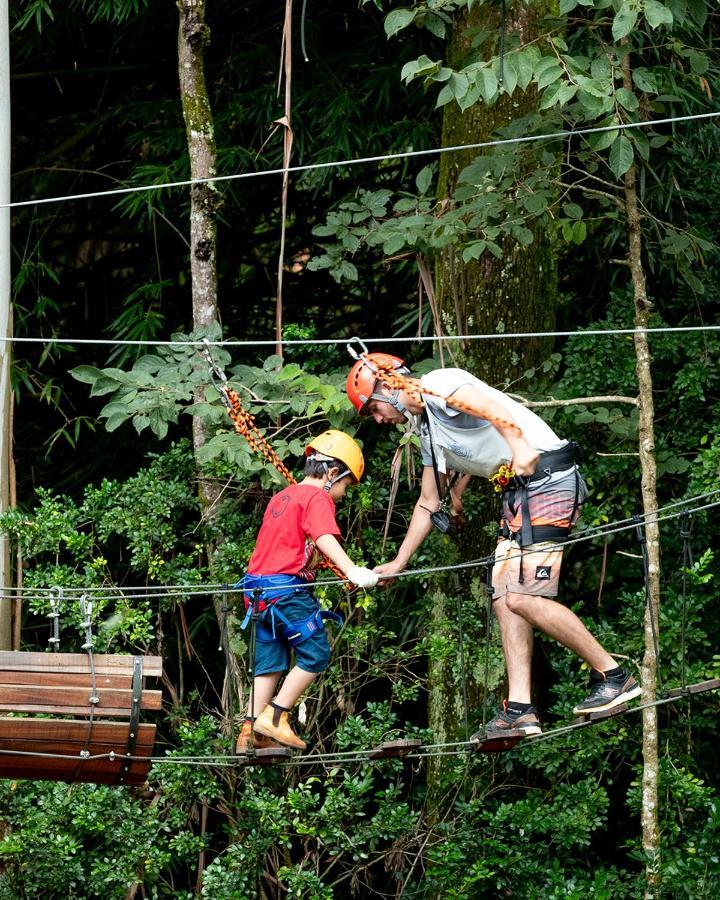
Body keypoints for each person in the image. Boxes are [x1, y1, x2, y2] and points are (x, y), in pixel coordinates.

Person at [346, 351, 641, 740]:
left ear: (388, 385)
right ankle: (519, 708)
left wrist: (519, 446)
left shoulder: (438, 383)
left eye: (373, 410)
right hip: (520, 493)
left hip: (548, 479)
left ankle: (614, 675)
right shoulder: (426, 429)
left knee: (521, 597)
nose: (379, 420)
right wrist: (400, 561)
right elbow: (427, 501)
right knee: (504, 597)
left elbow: (487, 407)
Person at [236, 430, 379, 754]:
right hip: (286, 592)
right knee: (316, 654)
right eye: (344, 485)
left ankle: (249, 732)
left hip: (257, 594)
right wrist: (352, 570)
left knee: (270, 663)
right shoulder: (317, 498)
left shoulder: (282, 497)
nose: (343, 494)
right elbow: (325, 535)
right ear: (331, 473)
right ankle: (276, 716)